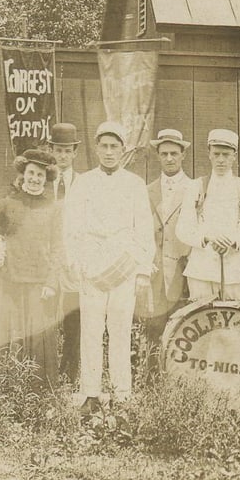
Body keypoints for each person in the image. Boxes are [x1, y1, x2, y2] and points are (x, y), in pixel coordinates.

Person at [64, 121, 154, 405]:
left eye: (114, 146)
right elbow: (70, 226)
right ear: (96, 148)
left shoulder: (135, 184)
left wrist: (143, 270)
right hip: (91, 264)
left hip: (123, 265)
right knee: (91, 329)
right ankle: (90, 393)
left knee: (120, 329)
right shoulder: (83, 182)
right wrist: (74, 261)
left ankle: (121, 394)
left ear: (123, 149)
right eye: (104, 146)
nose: (109, 152)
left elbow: (144, 229)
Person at [0, 149, 64, 386]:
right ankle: (1, 389)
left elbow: (58, 248)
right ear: (23, 174)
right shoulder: (7, 203)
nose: (34, 179)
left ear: (46, 178)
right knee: (4, 333)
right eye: (31, 173)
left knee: (37, 337)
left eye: (40, 175)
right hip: (9, 279)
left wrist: (51, 283)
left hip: (38, 282)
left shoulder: (53, 208)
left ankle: (35, 391)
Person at [176, 129, 240, 309]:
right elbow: (183, 229)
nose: (221, 160)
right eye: (216, 154)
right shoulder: (196, 187)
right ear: (209, 154)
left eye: (226, 154)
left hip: (236, 272)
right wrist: (206, 237)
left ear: (234, 156)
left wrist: (235, 241)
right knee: (202, 321)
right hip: (201, 271)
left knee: (237, 322)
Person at [142, 129, 193, 348]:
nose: (169, 158)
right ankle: (153, 369)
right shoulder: (147, 190)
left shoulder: (195, 189)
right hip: (155, 272)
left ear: (183, 155)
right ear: (158, 156)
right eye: (164, 154)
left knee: (183, 333)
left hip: (184, 272)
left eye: (174, 153)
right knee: (154, 333)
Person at [47, 122, 82, 383]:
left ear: (74, 153)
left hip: (73, 260)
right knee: (45, 316)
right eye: (58, 150)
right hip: (46, 260)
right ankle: (46, 371)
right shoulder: (41, 180)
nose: (62, 156)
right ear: (51, 150)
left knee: (73, 318)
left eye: (67, 151)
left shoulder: (84, 184)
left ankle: (70, 372)